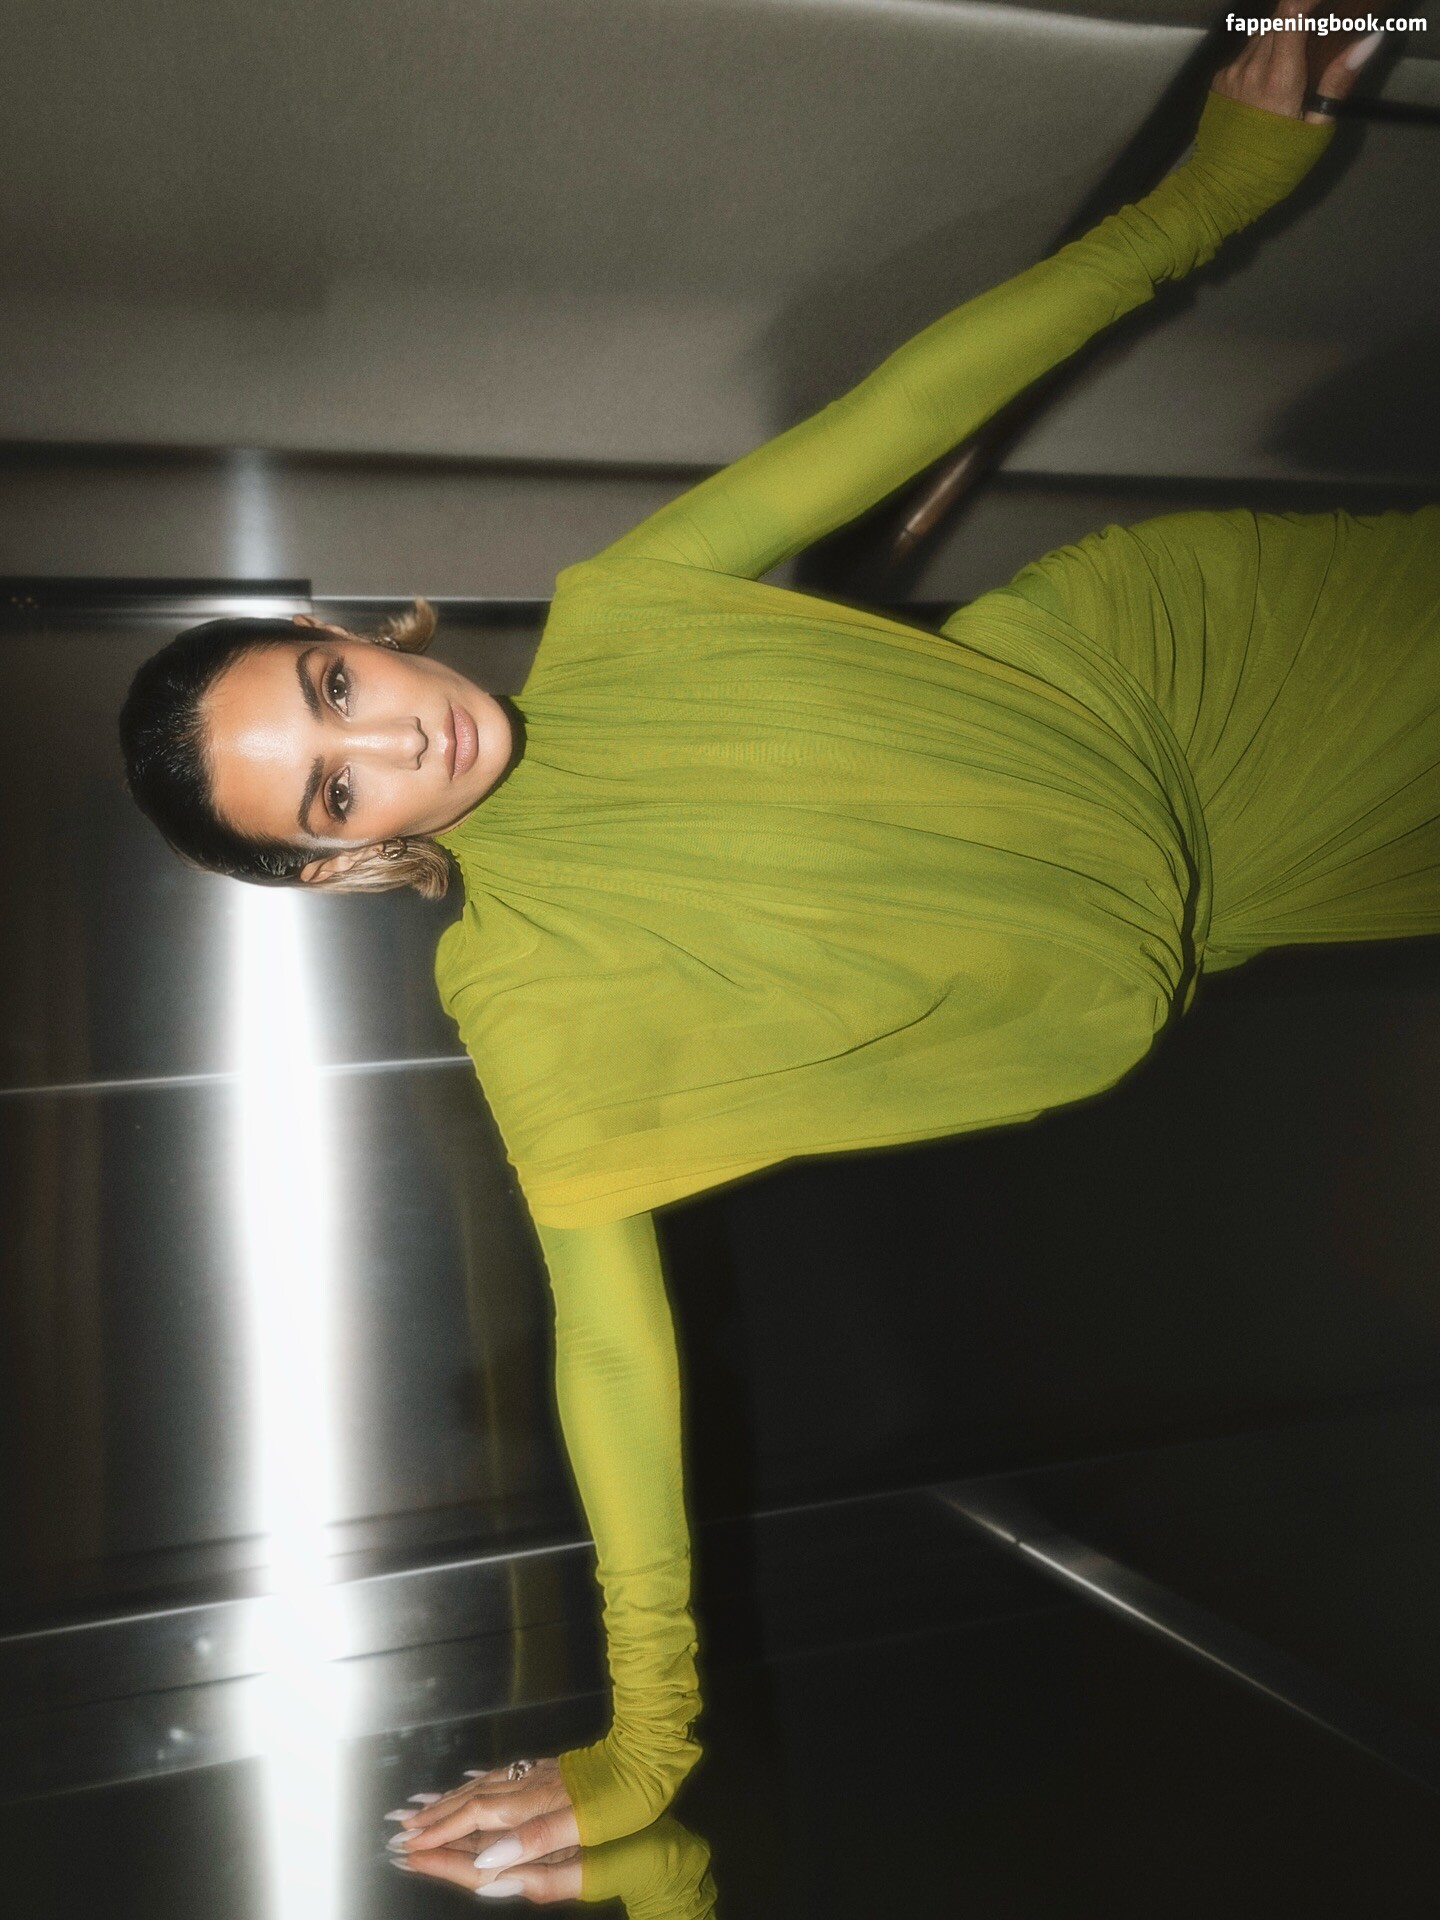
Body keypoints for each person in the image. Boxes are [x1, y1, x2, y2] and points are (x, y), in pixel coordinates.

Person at [118, 6, 1427, 1891]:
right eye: (333, 790)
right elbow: (612, 1358)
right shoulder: (530, 1000)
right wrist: (650, 1736)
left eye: (334, 688)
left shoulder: (625, 604)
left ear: (351, 634)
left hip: (1213, 668)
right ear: (343, 862)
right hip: (1256, 884)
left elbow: (922, 395)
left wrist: (1213, 192)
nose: (395, 740)